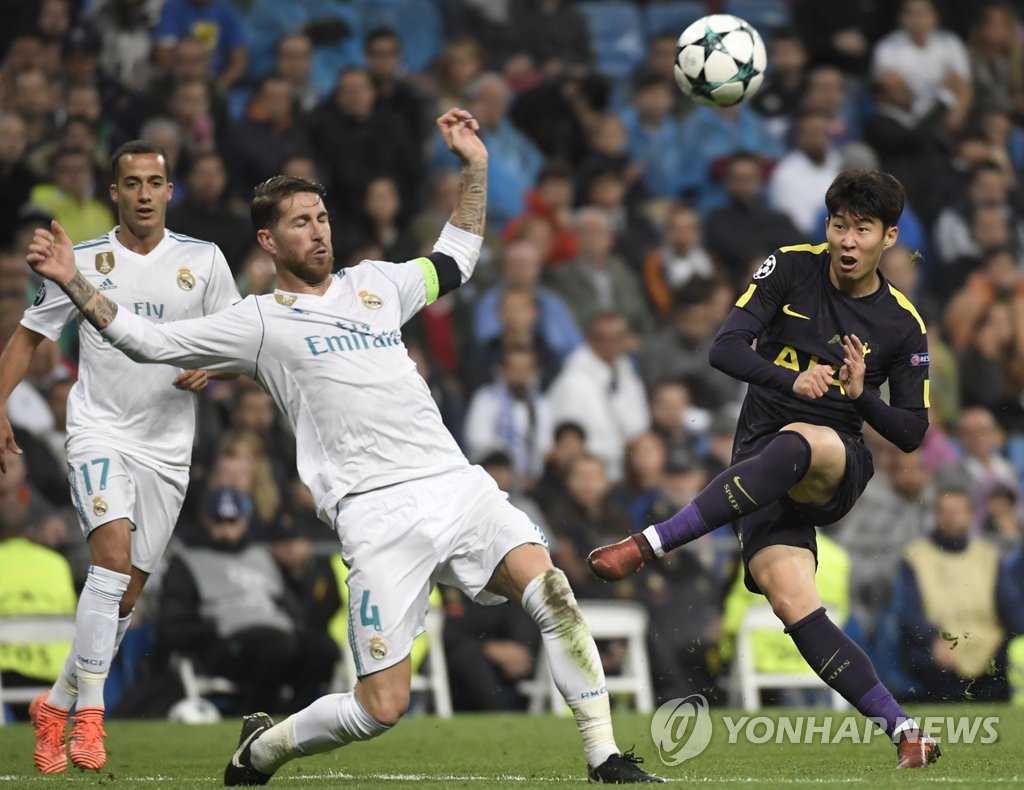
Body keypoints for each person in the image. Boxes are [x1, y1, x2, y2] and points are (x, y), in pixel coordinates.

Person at [26, 109, 662, 785]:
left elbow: (458, 257)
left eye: (322, 218)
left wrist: (474, 167)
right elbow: (147, 342)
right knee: (380, 707)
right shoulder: (258, 321)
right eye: (301, 222)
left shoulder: (376, 284)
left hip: (455, 487)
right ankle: (262, 750)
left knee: (552, 593)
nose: (319, 231)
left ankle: (604, 757)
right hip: (374, 514)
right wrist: (75, 279)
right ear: (269, 240)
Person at [589, 170, 940, 768]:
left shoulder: (901, 323)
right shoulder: (790, 267)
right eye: (839, 226)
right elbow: (724, 346)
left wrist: (861, 395)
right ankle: (905, 731)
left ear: (889, 237)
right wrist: (790, 379)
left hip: (835, 460)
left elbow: (911, 433)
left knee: (803, 438)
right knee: (792, 601)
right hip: (756, 460)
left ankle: (649, 544)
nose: (847, 240)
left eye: (862, 229)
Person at [0, 140, 240, 774]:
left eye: (154, 182)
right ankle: (89, 717)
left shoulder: (204, 261)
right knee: (108, 560)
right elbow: (27, 337)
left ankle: (54, 703)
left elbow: (244, 345)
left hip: (167, 449)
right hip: (99, 431)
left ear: (169, 191)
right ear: (114, 193)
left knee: (125, 598)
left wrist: (212, 368)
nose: (143, 193)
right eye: (131, 183)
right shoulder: (82, 261)